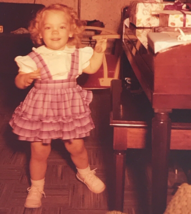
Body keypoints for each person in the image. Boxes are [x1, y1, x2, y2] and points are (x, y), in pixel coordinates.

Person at [9, 3, 107, 208]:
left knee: (77, 146)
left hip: (69, 108)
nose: (55, 32)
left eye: (61, 27)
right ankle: (36, 187)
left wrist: (98, 52)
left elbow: (91, 68)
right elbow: (18, 81)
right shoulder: (33, 58)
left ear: (71, 30)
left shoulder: (77, 54)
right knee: (38, 151)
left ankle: (85, 173)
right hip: (41, 110)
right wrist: (25, 79)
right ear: (39, 32)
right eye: (48, 27)